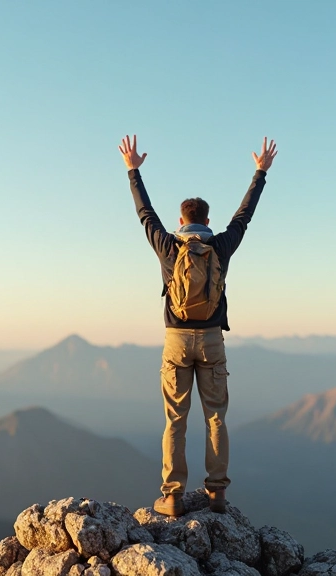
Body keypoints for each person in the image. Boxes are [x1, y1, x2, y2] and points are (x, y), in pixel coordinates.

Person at [117, 134, 278, 517]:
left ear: (180, 221)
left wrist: (133, 171)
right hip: (211, 341)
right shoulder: (221, 246)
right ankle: (217, 493)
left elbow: (145, 214)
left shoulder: (168, 247)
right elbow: (244, 216)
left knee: (176, 418)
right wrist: (260, 171)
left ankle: (172, 496)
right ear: (207, 221)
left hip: (175, 340)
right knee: (215, 416)